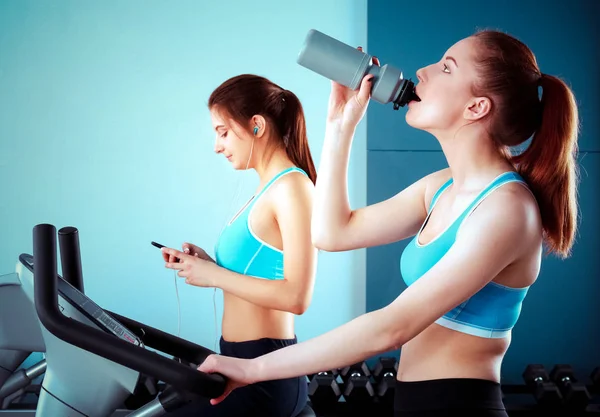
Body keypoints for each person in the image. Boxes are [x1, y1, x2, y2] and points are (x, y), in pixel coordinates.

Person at [181, 30, 580, 416]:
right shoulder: (442, 187)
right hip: (414, 402)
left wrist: (253, 369)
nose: (423, 70)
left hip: (462, 404)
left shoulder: (508, 209)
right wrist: (341, 125)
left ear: (477, 107)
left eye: (446, 68)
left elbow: (393, 327)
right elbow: (332, 233)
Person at [160, 74, 318, 417]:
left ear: (257, 126)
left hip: (265, 370)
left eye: (223, 132)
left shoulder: (292, 188)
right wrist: (206, 266)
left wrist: (213, 276)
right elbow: (254, 272)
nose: (218, 146)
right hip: (236, 359)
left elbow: (297, 297)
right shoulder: (264, 190)